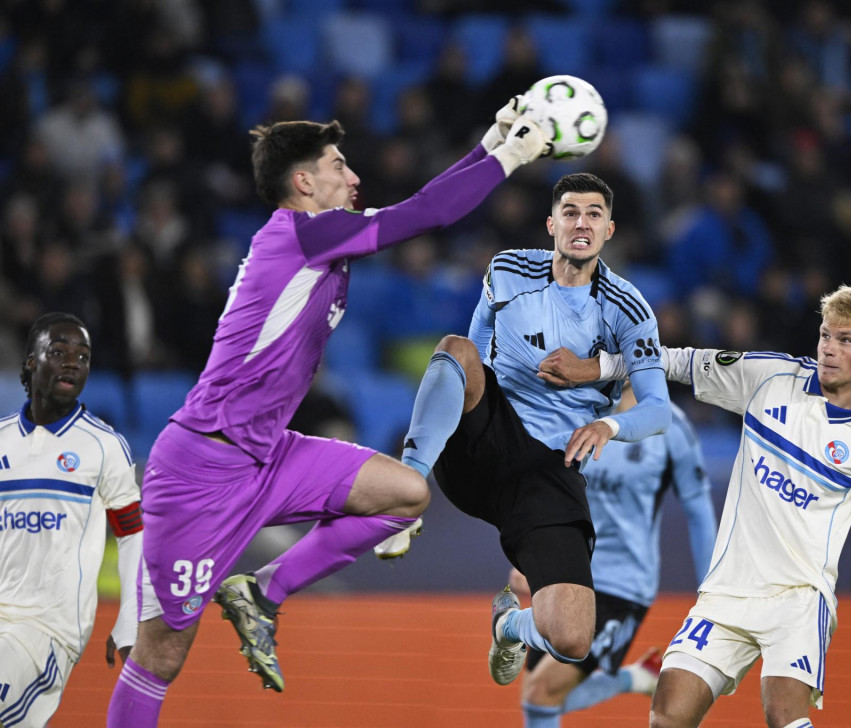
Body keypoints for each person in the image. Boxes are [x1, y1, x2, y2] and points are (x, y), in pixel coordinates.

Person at [106, 99, 551, 727]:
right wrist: (510, 157)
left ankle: (263, 592)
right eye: (339, 165)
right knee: (160, 656)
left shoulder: (316, 237)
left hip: (270, 452)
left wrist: (488, 143)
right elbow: (426, 212)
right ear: (304, 182)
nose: (354, 176)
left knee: (405, 493)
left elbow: (420, 205)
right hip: (203, 467)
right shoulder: (302, 234)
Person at [540, 285, 851, 728]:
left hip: (800, 599)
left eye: (845, 340)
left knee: (783, 715)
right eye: (826, 335)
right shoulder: (770, 377)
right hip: (727, 593)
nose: (828, 348)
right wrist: (598, 367)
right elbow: (678, 361)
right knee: (667, 716)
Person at [392, 172, 672, 687]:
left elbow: (658, 408)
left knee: (572, 637)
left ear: (609, 229)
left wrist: (608, 424)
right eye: (571, 212)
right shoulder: (507, 269)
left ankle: (509, 625)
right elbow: (475, 346)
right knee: (455, 348)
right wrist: (472, 401)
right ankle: (404, 490)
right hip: (487, 439)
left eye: (593, 214)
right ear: (551, 224)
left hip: (550, 469)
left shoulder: (628, 308)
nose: (581, 223)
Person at [512, 380, 718, 727]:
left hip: (623, 583)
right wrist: (526, 559)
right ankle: (636, 678)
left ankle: (634, 678)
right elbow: (542, 494)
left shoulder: (669, 425)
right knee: (537, 696)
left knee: (541, 692)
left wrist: (712, 591)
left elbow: (698, 508)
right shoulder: (573, 411)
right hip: (566, 570)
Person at [0, 312, 142, 728]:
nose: (72, 363)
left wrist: (129, 618)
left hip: (48, 628)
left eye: (83, 356)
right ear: (32, 361)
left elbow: (133, 534)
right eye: (59, 352)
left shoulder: (103, 446)